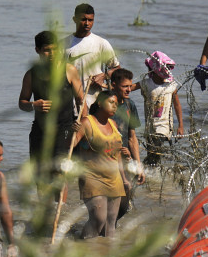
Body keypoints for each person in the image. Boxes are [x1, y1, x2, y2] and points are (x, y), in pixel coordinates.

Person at [18, 30, 85, 200]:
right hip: (40, 132)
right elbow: (22, 103)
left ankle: (58, 213)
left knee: (59, 176)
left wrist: (81, 128)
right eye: (47, 50)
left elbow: (81, 102)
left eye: (55, 49)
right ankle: (44, 214)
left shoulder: (69, 71)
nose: (52, 54)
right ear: (37, 50)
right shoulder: (31, 75)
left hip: (64, 130)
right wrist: (34, 105)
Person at [74, 92, 129, 238]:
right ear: (99, 103)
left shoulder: (113, 124)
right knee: (98, 219)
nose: (115, 106)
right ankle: (81, 244)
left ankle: (108, 255)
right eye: (111, 102)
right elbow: (70, 146)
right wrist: (71, 132)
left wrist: (124, 179)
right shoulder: (86, 122)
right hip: (92, 177)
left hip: (114, 178)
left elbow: (116, 155)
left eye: (116, 104)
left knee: (111, 224)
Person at [65, 3, 120, 110]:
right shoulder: (63, 44)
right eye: (83, 19)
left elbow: (117, 69)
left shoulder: (101, 43)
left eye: (90, 20)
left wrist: (104, 76)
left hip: (94, 104)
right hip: (68, 106)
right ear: (74, 19)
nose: (87, 23)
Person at [108, 68, 145, 220]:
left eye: (130, 86)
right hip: (108, 159)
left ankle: (106, 234)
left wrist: (138, 165)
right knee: (109, 203)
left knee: (124, 205)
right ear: (114, 85)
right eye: (125, 87)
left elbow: (132, 137)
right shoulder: (105, 104)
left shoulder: (130, 106)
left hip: (126, 158)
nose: (129, 89)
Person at [139, 51, 184, 166]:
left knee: (156, 149)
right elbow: (127, 88)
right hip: (150, 127)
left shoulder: (171, 86)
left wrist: (180, 126)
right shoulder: (146, 84)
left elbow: (177, 105)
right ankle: (152, 174)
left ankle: (142, 170)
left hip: (164, 126)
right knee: (152, 154)